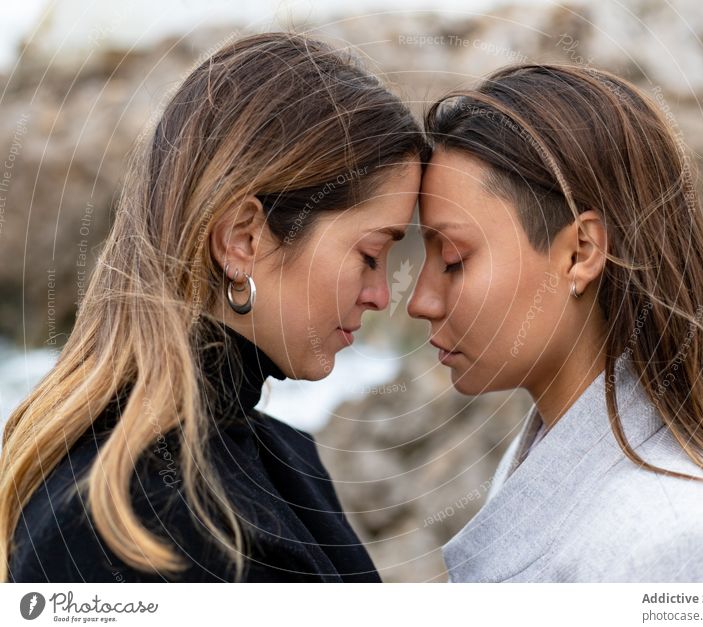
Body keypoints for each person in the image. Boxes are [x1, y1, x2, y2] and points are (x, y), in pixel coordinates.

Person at [0, 32, 426, 582]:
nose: (382, 295)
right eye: (370, 254)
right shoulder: (124, 524)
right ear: (242, 240)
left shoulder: (285, 460)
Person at [408, 64, 703, 582]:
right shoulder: (541, 465)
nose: (419, 300)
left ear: (581, 252)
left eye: (454, 258)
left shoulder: (685, 546)